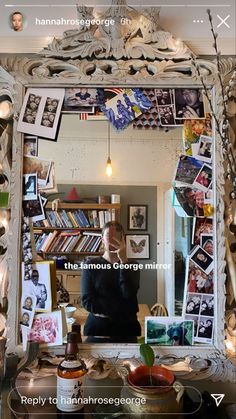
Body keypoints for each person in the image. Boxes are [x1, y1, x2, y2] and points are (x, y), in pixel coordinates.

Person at [81, 221, 141, 343]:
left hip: (127, 331)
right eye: (108, 236)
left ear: (123, 239)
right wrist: (123, 309)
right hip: (98, 331)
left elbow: (129, 294)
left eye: (116, 236)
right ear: (102, 239)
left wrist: (124, 262)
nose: (111, 240)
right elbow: (87, 302)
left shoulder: (133, 266)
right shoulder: (91, 265)